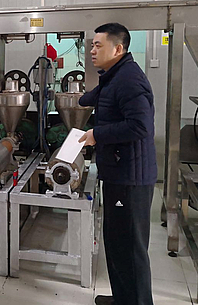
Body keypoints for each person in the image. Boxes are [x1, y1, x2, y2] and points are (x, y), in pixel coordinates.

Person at [78, 23, 157, 305]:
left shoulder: (129, 80)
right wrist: (80, 99)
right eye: (92, 45)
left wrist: (96, 135)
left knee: (130, 248)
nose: (92, 50)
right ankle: (124, 299)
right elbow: (97, 97)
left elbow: (140, 126)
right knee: (116, 242)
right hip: (119, 172)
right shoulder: (114, 76)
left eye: (98, 45)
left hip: (130, 179)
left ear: (118, 48)